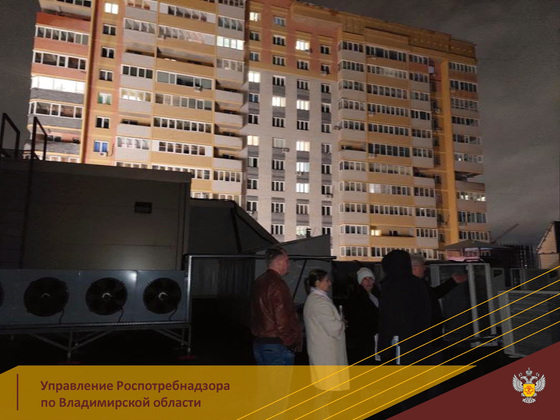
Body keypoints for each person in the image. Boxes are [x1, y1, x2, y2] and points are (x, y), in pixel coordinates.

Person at [378, 250, 434, 365]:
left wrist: (383, 346)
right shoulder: (418, 284)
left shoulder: (391, 286)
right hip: (419, 341)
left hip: (399, 342)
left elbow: (388, 317)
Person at [251, 246, 302, 365]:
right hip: (276, 345)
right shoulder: (277, 284)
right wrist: (290, 342)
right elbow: (281, 319)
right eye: (286, 260)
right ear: (278, 261)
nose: (288, 264)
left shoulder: (259, 281)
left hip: (261, 343)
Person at [303, 269, 348, 391]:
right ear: (317, 283)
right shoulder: (320, 303)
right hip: (326, 354)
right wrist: (342, 323)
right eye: (327, 280)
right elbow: (333, 329)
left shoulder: (314, 299)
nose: (330, 283)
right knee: (326, 391)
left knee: (323, 389)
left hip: (321, 352)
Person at [344, 267, 379, 364]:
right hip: (362, 341)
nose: (368, 282)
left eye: (370, 279)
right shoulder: (355, 299)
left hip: (372, 338)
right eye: (365, 279)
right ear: (360, 282)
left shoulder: (375, 296)